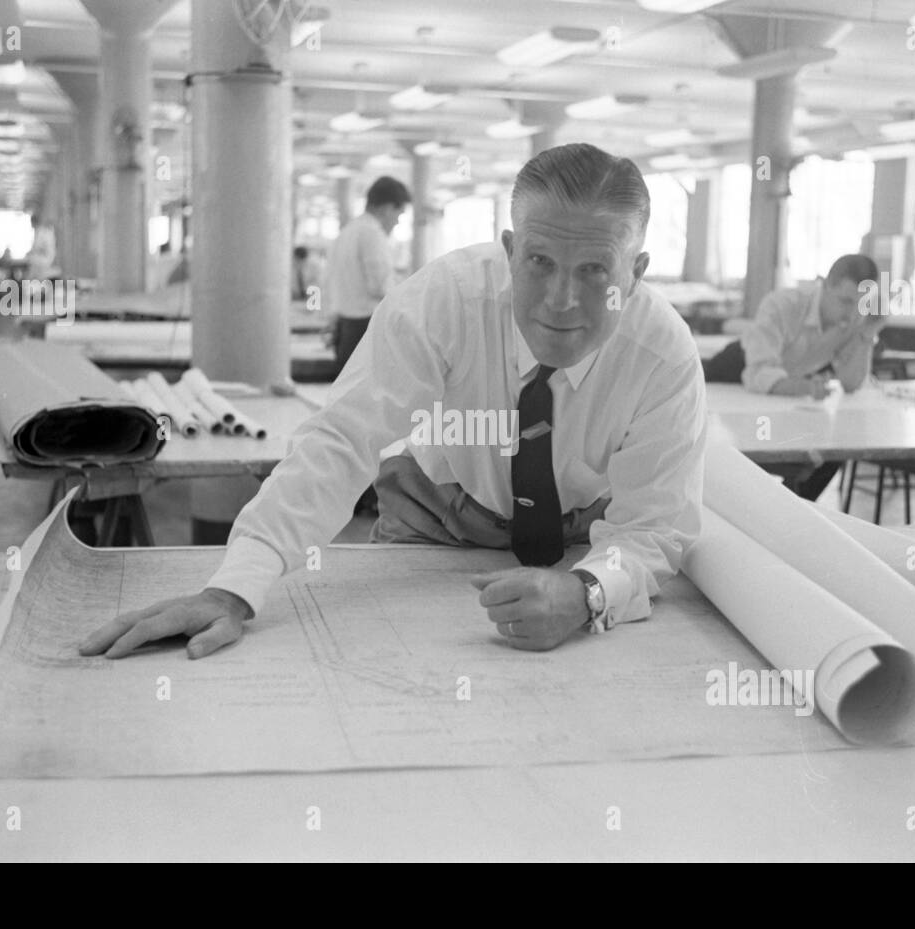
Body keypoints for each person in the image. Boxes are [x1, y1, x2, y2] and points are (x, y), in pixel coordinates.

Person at [80, 143, 707, 661]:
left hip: (576, 533)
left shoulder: (663, 355)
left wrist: (588, 591)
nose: (562, 300)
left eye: (596, 271)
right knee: (390, 667)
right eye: (540, 262)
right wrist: (234, 588)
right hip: (435, 515)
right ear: (511, 250)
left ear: (637, 270)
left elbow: (653, 525)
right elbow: (344, 439)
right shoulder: (444, 300)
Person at [703, 253, 884, 499]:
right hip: (734, 374)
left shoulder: (855, 317)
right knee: (729, 451)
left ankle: (794, 512)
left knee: (837, 447)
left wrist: (867, 335)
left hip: (787, 393)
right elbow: (759, 373)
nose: (853, 314)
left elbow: (851, 383)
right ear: (826, 284)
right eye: (846, 302)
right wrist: (806, 388)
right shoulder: (783, 304)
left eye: (862, 304)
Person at [325, 176, 411, 371]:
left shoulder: (347, 231)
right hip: (366, 329)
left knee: (348, 395)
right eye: (399, 214)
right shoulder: (372, 234)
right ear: (388, 208)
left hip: (345, 327)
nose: (397, 222)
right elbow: (379, 287)